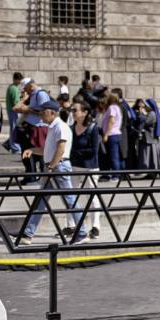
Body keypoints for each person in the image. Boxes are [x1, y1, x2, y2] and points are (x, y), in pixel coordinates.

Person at [14, 100, 75, 244]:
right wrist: (31, 150)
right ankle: (28, 234)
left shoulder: (60, 126)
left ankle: (82, 231)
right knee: (41, 200)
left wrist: (51, 167)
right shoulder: (52, 127)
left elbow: (61, 149)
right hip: (53, 167)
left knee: (70, 200)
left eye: (43, 112)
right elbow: (46, 150)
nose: (40, 114)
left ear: (52, 113)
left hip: (58, 167)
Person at [65, 100, 102, 243]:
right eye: (72, 110)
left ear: (85, 112)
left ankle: (95, 226)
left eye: (75, 110)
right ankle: (71, 225)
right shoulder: (71, 128)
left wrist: (75, 152)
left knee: (91, 197)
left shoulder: (92, 128)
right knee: (70, 196)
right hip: (74, 166)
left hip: (89, 167)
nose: (73, 113)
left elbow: (94, 150)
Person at [98, 90, 125, 173]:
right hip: (116, 134)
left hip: (112, 134)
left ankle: (115, 175)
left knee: (113, 156)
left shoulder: (112, 107)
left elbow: (111, 121)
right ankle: (118, 173)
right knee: (116, 155)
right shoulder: (117, 107)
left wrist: (106, 134)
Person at [4, 72, 24, 153]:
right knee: (14, 129)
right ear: (16, 79)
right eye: (19, 80)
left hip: (11, 110)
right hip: (14, 111)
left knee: (14, 128)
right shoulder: (14, 88)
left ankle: (9, 143)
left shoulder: (11, 87)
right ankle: (15, 147)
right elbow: (16, 102)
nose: (20, 82)